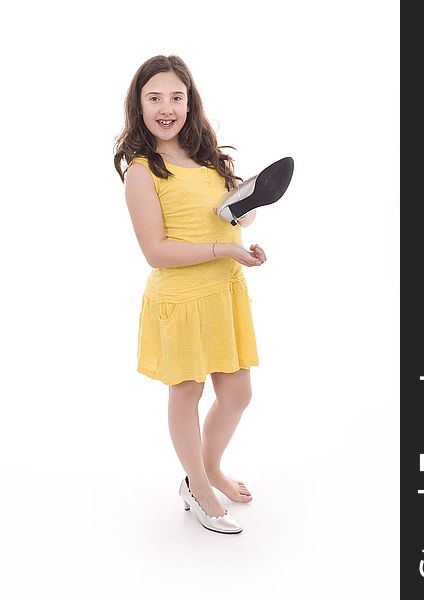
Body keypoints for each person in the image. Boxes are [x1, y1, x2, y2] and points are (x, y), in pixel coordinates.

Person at [113, 55, 266, 532]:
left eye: (176, 97)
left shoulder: (207, 158)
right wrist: (223, 245)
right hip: (180, 301)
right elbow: (156, 251)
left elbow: (231, 212)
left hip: (224, 292)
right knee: (188, 391)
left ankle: (209, 467)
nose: (166, 108)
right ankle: (198, 486)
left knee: (237, 395)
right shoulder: (142, 171)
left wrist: (244, 224)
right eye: (154, 98)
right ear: (138, 106)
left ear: (189, 102)